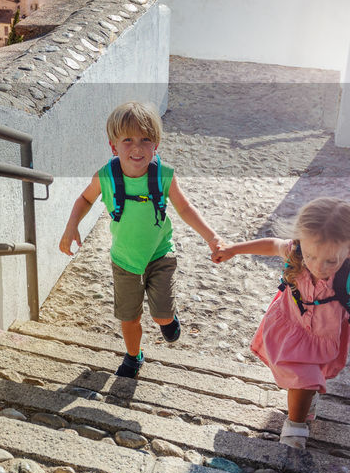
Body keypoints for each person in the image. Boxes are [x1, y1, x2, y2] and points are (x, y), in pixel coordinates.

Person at [59, 102, 227, 378]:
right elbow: (85, 199)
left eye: (145, 139)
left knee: (161, 317)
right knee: (129, 318)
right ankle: (134, 356)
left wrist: (212, 237)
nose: (136, 148)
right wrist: (71, 226)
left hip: (160, 255)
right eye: (128, 140)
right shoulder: (106, 177)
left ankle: (167, 318)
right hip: (124, 261)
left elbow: (185, 209)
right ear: (114, 146)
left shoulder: (163, 175)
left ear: (156, 144)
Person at [215, 197, 350, 449]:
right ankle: (299, 418)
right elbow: (272, 245)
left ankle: (296, 426)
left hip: (321, 336)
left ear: (349, 251)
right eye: (311, 256)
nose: (319, 267)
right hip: (291, 325)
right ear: (299, 242)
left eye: (331, 261)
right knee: (303, 379)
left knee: (304, 379)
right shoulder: (295, 251)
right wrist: (233, 249)